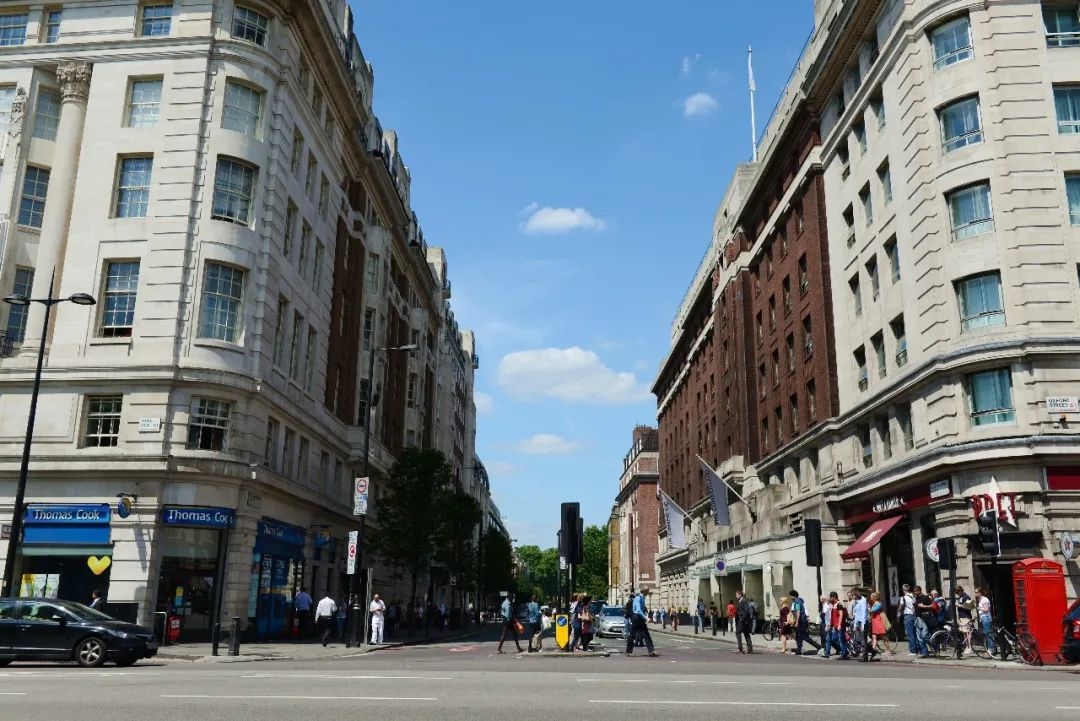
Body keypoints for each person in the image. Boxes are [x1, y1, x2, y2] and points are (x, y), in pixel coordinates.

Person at [625, 588, 658, 657]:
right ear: (644, 591)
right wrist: (645, 618)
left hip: (639, 618)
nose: (648, 592)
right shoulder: (638, 598)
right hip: (636, 617)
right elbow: (638, 610)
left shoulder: (642, 598)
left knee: (646, 634)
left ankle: (651, 651)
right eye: (647, 591)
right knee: (632, 635)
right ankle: (628, 652)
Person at [788, 589, 818, 655]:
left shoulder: (797, 601)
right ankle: (799, 649)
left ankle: (818, 646)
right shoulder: (797, 601)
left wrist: (797, 622)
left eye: (791, 596)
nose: (790, 597)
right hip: (801, 620)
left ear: (794, 596)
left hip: (801, 621)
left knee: (803, 636)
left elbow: (798, 612)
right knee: (798, 636)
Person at [869, 590, 891, 655]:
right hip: (875, 621)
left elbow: (873, 610)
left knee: (883, 636)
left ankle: (888, 650)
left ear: (874, 597)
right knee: (874, 636)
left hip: (878, 621)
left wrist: (868, 609)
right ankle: (873, 650)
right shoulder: (875, 603)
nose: (870, 598)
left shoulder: (878, 604)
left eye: (871, 597)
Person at [899, 583, 917, 655]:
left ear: (903, 590)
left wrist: (900, 613)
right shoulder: (914, 596)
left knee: (910, 634)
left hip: (908, 616)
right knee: (915, 633)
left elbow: (900, 607)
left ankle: (913, 650)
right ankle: (918, 649)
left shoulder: (903, 598)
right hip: (915, 615)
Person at [976, 587, 995, 655]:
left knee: (988, 634)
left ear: (980, 593)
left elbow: (986, 609)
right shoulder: (980, 599)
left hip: (986, 618)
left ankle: (991, 650)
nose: (975, 594)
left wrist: (978, 608)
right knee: (987, 634)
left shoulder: (985, 599)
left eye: (976, 592)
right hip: (983, 618)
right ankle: (989, 649)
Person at [734, 590, 754, 654]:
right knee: (746, 633)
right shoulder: (741, 601)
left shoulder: (743, 601)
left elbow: (746, 611)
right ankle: (749, 649)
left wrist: (741, 619)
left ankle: (740, 649)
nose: (736, 596)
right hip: (743, 620)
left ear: (740, 595)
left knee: (738, 632)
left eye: (737, 594)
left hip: (743, 621)